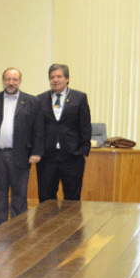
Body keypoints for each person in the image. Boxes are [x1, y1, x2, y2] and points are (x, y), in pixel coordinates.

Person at [0, 68, 43, 225]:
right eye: (8, 79)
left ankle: (18, 228)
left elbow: (38, 129)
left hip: (21, 154)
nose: (11, 83)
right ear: (3, 81)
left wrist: (36, 152)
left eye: (14, 79)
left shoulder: (32, 101)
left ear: (20, 81)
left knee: (19, 194)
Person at [36, 63, 91, 202]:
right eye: (52, 77)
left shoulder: (79, 98)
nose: (55, 80)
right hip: (47, 158)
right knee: (46, 199)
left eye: (59, 76)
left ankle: (72, 225)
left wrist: (84, 149)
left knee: (72, 199)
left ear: (67, 79)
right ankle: (47, 225)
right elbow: (36, 128)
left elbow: (85, 126)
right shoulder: (39, 99)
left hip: (72, 157)